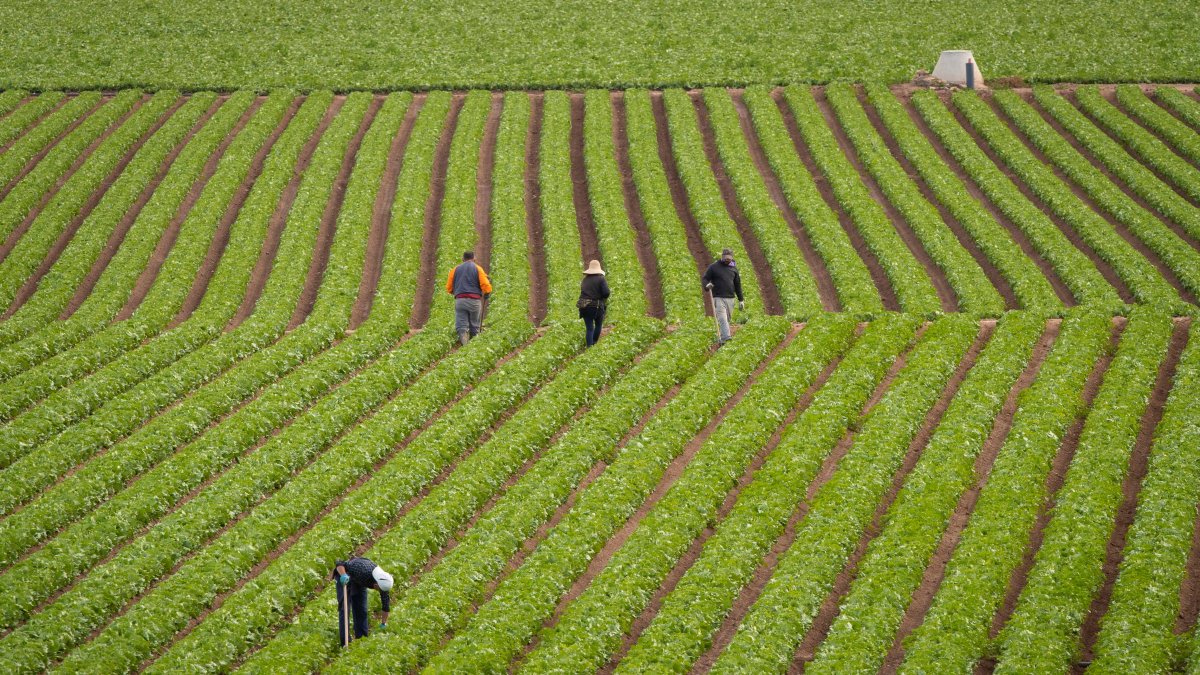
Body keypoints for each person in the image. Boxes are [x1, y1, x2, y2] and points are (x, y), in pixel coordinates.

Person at [333, 556, 393, 645]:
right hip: (345, 575)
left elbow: (386, 605)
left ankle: (361, 640)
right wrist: (343, 575)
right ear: (376, 584)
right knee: (344, 609)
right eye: (378, 589)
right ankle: (345, 643)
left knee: (361, 609)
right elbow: (339, 562)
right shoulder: (362, 570)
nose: (379, 591)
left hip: (359, 581)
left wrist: (384, 623)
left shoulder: (384, 583)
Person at [445, 251, 492, 345]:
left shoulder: (455, 270)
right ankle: (473, 345)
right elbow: (485, 283)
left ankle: (464, 340)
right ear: (474, 258)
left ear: (463, 259)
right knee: (475, 325)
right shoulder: (478, 268)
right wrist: (487, 292)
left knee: (461, 324)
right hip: (474, 301)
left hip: (460, 301)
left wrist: (456, 292)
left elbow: (449, 287)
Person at [702, 248, 744, 345]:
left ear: (732, 258)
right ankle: (726, 338)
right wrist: (707, 285)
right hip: (718, 297)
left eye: (729, 258)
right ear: (722, 257)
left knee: (727, 319)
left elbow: (737, 285)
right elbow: (705, 278)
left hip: (730, 298)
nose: (727, 260)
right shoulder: (714, 267)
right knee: (722, 318)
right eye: (725, 258)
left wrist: (741, 299)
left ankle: (723, 336)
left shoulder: (734, 269)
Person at [578, 259, 610, 347]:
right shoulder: (601, 279)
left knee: (589, 328)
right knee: (598, 324)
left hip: (584, 306)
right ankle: (594, 342)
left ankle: (589, 347)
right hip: (596, 306)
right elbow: (606, 293)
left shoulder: (585, 280)